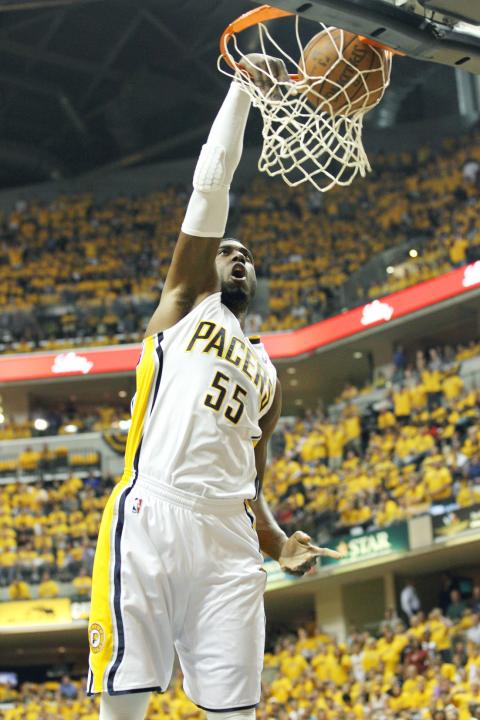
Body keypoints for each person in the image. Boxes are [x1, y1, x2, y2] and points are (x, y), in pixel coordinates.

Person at [87, 55, 341, 720]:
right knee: (126, 704)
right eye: (226, 251)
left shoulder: (267, 374)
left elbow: (250, 486)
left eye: (246, 257)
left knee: (236, 713)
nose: (238, 257)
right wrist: (242, 93)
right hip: (154, 515)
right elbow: (211, 186)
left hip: (230, 543)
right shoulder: (180, 307)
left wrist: (280, 542)